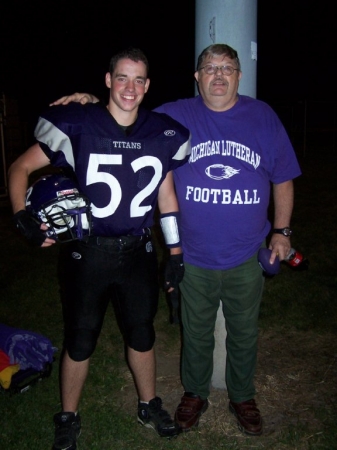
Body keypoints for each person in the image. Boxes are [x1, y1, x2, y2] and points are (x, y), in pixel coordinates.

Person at [50, 43, 302, 437]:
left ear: (239, 76)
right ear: (198, 78)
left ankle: (242, 396)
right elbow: (124, 112)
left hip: (247, 251)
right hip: (194, 253)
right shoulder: (172, 116)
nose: (218, 75)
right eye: (209, 68)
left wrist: (282, 231)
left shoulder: (263, 117)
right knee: (195, 330)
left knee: (244, 330)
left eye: (227, 68)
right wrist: (88, 103)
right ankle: (195, 394)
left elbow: (283, 176)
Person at [8, 47, 192, 450]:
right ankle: (68, 416)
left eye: (139, 79)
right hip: (87, 252)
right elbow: (19, 168)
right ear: (108, 81)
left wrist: (175, 253)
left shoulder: (162, 132)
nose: (130, 87)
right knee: (80, 338)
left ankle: (148, 404)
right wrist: (23, 218)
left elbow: (166, 194)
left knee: (142, 334)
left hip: (138, 253)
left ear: (148, 86)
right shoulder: (79, 122)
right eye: (122, 77)